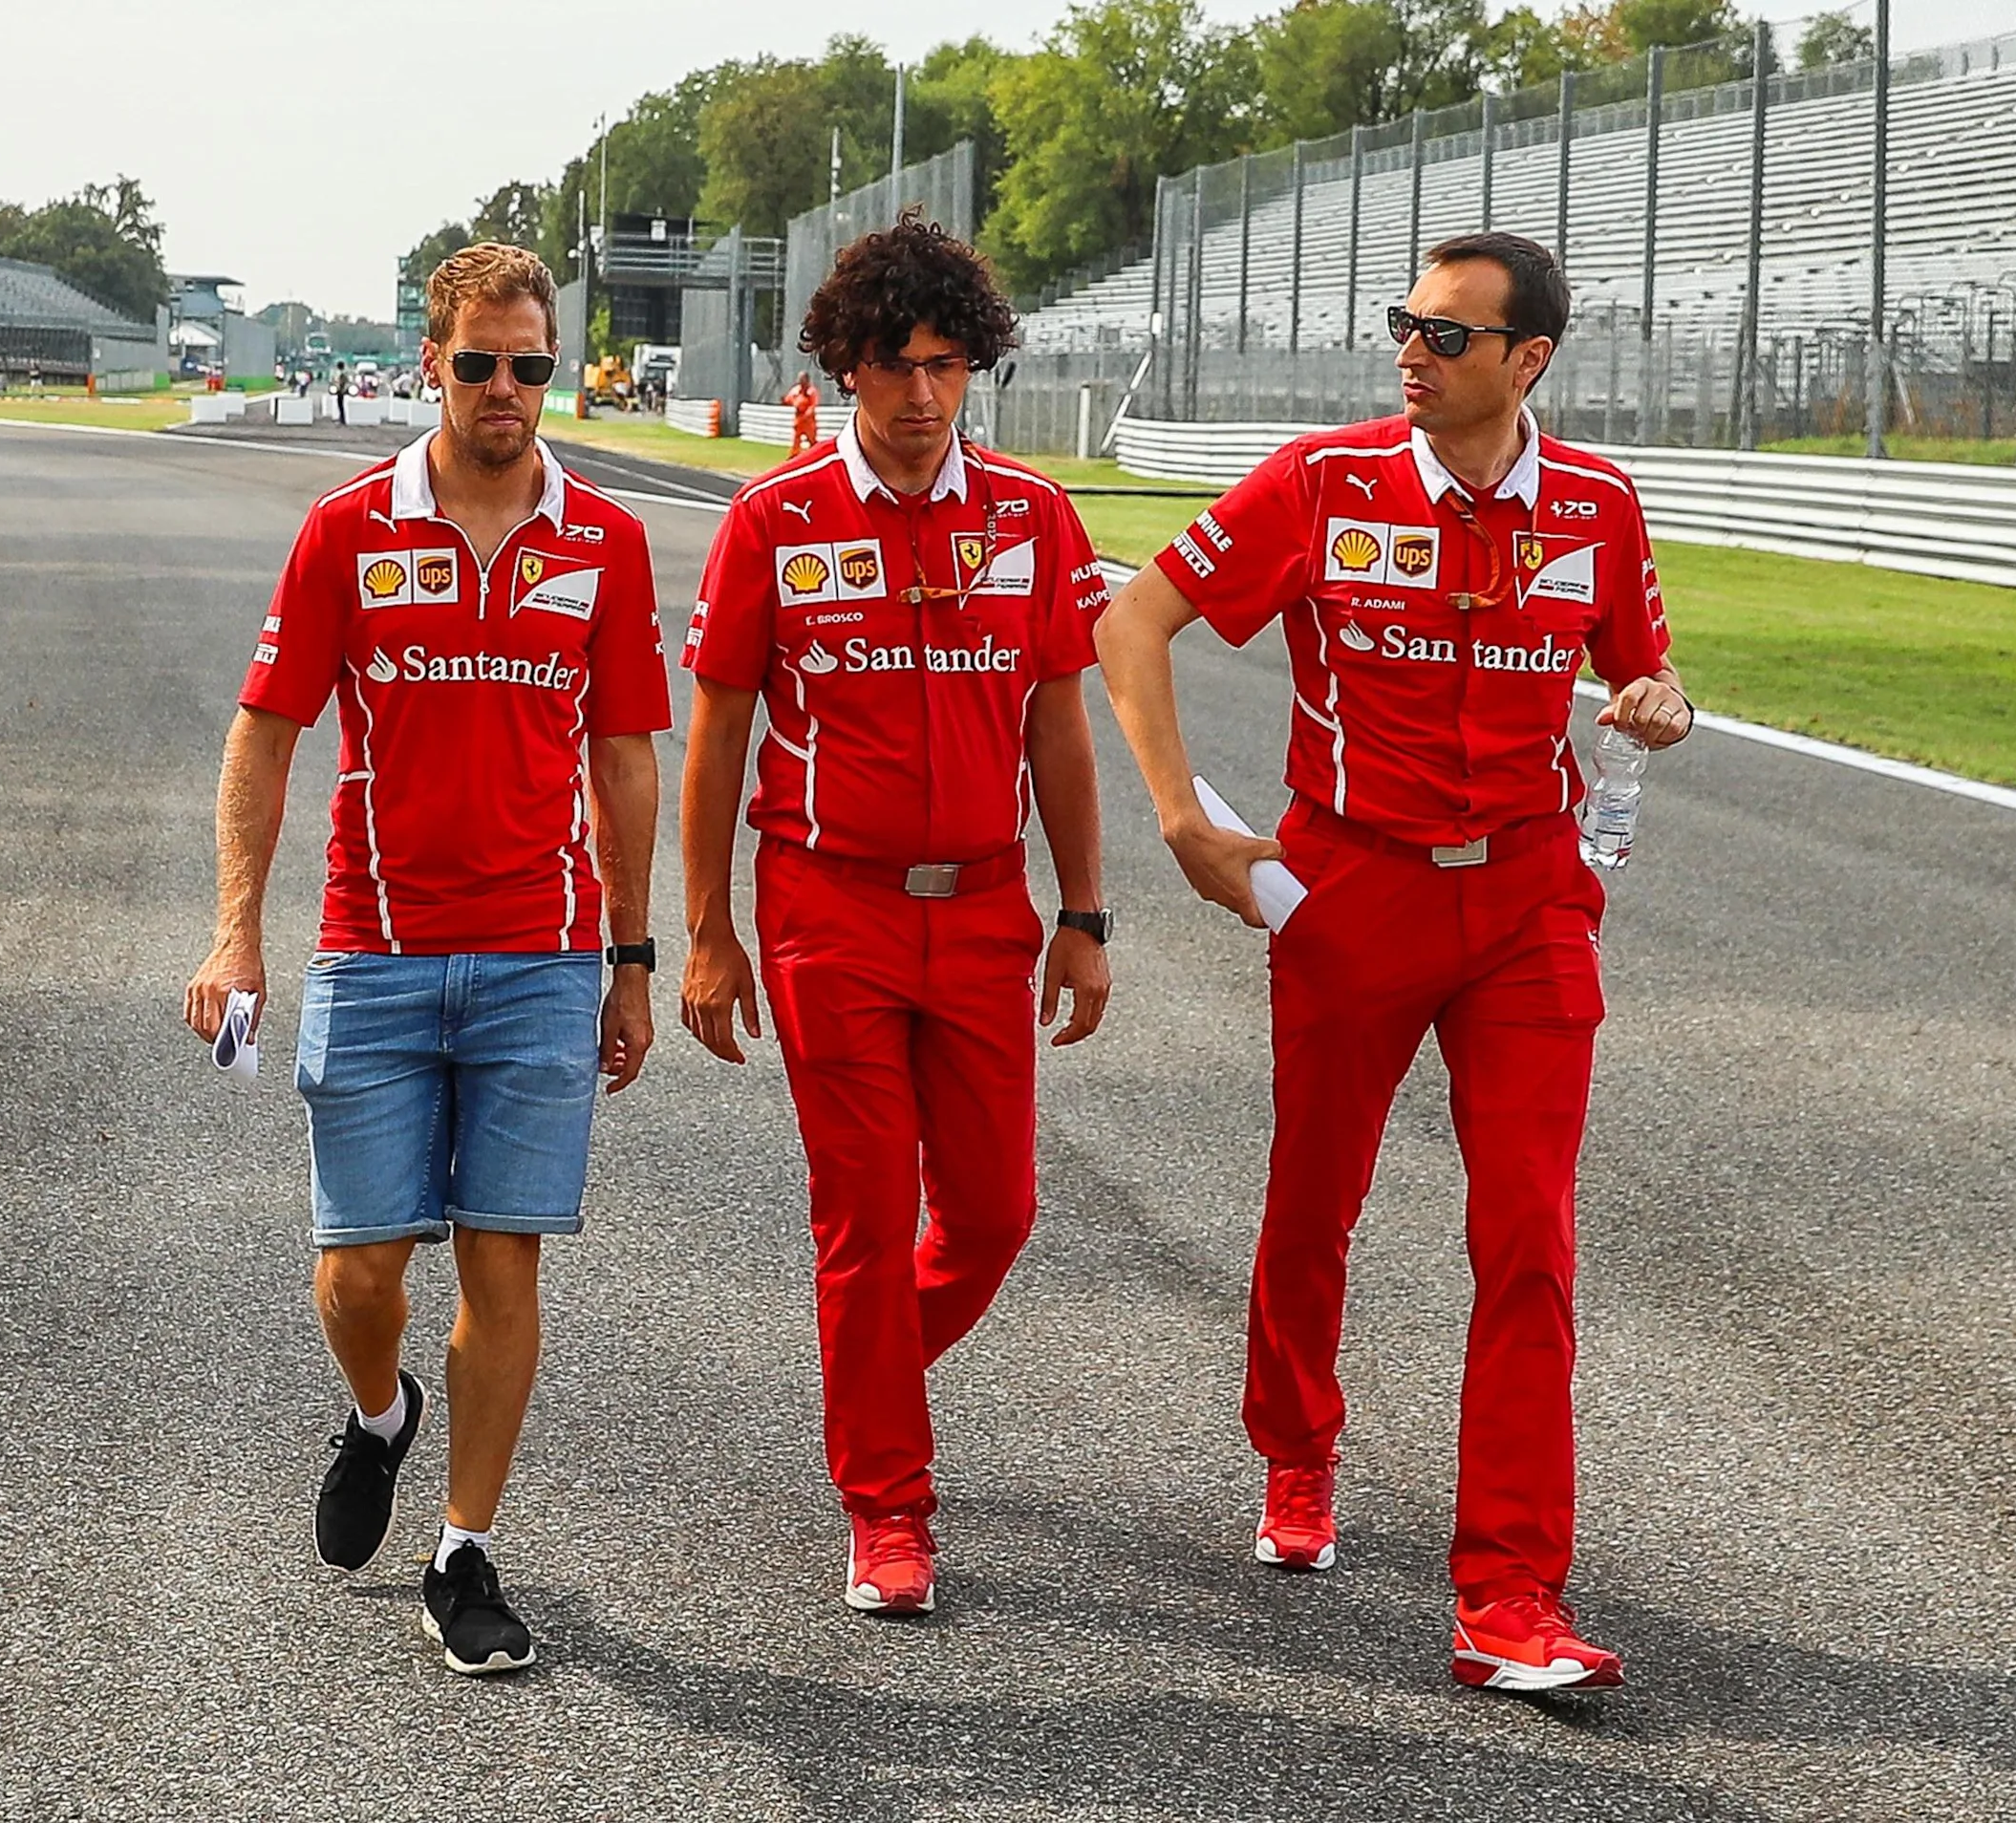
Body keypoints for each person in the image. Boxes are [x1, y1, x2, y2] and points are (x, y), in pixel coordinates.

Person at [1093, 231, 1694, 1694]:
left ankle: (1509, 1597)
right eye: (1402, 324)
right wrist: (1183, 817)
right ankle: (1297, 1453)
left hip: (1532, 904)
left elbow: (1642, 666)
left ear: (1527, 362)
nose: (1409, 352)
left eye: (1445, 335)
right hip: (1352, 890)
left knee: (1532, 1238)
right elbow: (1134, 618)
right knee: (1314, 1202)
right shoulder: (1325, 482)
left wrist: (1655, 701)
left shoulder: (1599, 506)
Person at [181, 242, 667, 1677]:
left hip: (537, 958)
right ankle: (382, 1412)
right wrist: (234, 929)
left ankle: (465, 1547)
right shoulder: (348, 533)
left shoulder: (608, 543)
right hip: (376, 950)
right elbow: (265, 733)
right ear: (432, 365)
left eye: (531, 363)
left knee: (505, 1260)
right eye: (479, 363)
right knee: (361, 1269)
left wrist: (631, 954)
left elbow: (624, 758)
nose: (508, 389)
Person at [676, 215, 1113, 1618]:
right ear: (844, 371)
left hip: (985, 907)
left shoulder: (1035, 519)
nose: (921, 397)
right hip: (826, 909)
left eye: (946, 366)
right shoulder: (774, 520)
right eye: (892, 367)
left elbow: (1061, 727)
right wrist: (705, 929)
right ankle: (887, 1507)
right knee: (864, 1220)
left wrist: (1085, 911)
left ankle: (863, 1375)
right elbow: (716, 735)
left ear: (973, 365)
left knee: (992, 1215)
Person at [784, 370, 820, 457]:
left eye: (802, 379)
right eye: (799, 379)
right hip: (799, 417)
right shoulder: (796, 390)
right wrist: (786, 401)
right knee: (796, 439)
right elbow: (788, 399)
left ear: (807, 380)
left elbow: (813, 404)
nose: (800, 380)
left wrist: (807, 414)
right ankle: (793, 456)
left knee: (812, 440)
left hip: (808, 420)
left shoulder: (811, 391)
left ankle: (814, 456)